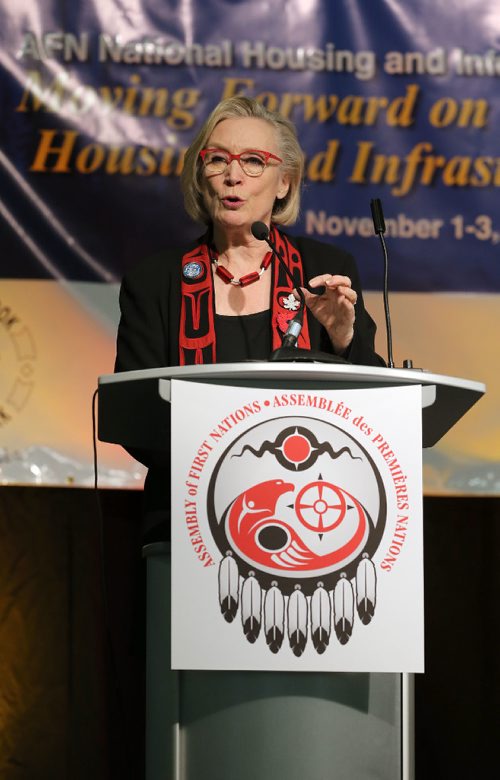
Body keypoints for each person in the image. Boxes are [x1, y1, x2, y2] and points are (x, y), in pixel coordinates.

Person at [115, 95, 384, 539]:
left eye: (254, 161)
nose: (232, 175)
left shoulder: (323, 270)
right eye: (217, 159)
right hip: (187, 521)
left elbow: (369, 406)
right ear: (202, 174)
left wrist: (341, 335)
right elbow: (136, 415)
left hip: (312, 515)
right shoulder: (155, 280)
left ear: (284, 183)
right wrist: (233, 473)